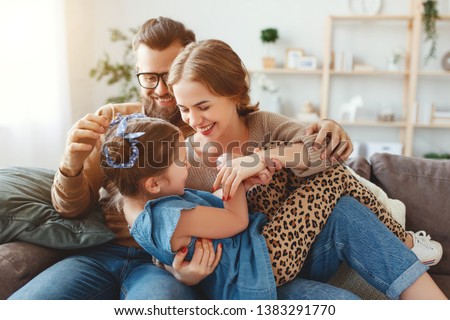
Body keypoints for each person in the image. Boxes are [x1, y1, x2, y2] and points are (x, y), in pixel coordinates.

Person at [9, 17, 358, 300]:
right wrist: (71, 163)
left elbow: (302, 157)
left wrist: (320, 129)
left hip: (160, 263)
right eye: (149, 76)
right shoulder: (122, 126)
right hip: (103, 250)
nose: (161, 89)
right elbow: (70, 207)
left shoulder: (208, 128)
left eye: (168, 76)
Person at [165, 38, 446, 299]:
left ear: (234, 94)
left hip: (303, 250)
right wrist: (181, 273)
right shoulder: (186, 160)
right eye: (184, 109)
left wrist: (263, 157)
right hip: (254, 271)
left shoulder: (262, 123)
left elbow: (324, 155)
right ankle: (405, 243)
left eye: (203, 106)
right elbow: (162, 222)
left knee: (342, 204)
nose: (194, 119)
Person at [101, 113, 446, 300]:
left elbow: (315, 152)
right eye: (179, 160)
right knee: (333, 180)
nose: (187, 163)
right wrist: (233, 167)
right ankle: (407, 245)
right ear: (153, 183)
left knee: (324, 195)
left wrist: (251, 169)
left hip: (254, 256)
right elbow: (235, 221)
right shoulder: (167, 216)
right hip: (258, 265)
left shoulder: (146, 209)